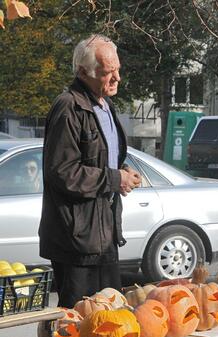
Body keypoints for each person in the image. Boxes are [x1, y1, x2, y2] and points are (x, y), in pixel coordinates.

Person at [39, 34, 142, 308]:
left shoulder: (106, 106)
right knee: (80, 323)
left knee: (111, 314)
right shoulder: (68, 106)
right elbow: (62, 172)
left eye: (118, 70)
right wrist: (113, 178)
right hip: (76, 240)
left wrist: (121, 174)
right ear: (83, 71)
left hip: (104, 233)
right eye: (108, 72)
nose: (117, 78)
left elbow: (97, 162)